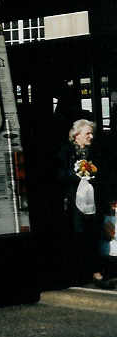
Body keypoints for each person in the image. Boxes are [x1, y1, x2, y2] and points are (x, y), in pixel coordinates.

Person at [59, 119, 109, 285]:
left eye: (91, 133)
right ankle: (78, 272)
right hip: (74, 202)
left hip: (93, 201)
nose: (91, 136)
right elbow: (59, 175)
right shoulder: (66, 152)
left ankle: (96, 272)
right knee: (77, 235)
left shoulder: (96, 152)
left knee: (93, 235)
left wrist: (94, 175)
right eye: (87, 133)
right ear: (76, 135)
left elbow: (104, 173)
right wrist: (77, 175)